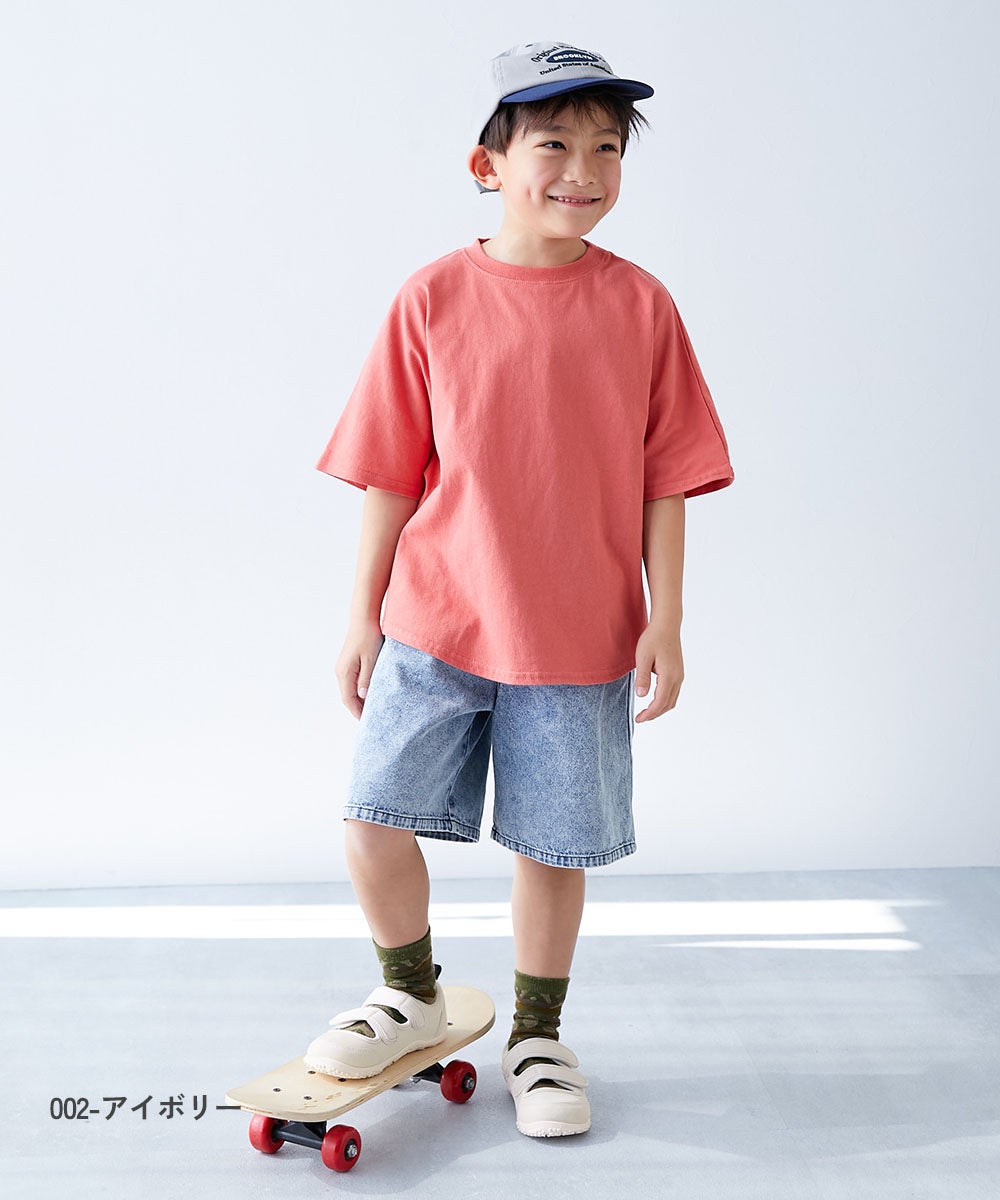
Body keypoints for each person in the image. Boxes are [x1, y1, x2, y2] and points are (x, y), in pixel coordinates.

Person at [304, 40, 735, 1139]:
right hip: (436, 616)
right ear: (486, 163)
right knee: (371, 815)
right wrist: (359, 614)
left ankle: (538, 1036)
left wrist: (668, 619)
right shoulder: (432, 298)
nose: (582, 170)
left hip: (580, 633)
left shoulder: (641, 306)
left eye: (607, 147)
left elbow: (667, 477)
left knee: (553, 846)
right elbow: (392, 471)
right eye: (553, 144)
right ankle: (407, 995)